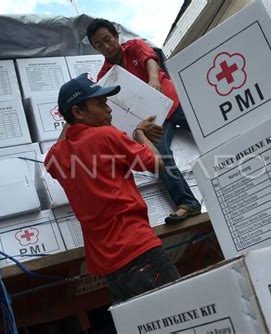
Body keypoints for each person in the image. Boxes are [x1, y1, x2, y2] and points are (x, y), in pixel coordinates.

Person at [44, 73, 180, 302]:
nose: (109, 110)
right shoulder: (107, 136)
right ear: (78, 112)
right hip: (139, 248)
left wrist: (71, 115)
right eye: (100, 104)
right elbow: (158, 164)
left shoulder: (56, 158)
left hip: (110, 269)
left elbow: (58, 146)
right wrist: (140, 134)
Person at [86, 18, 202, 224]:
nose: (106, 46)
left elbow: (149, 58)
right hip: (153, 121)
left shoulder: (134, 46)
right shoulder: (105, 76)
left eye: (107, 39)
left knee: (207, 129)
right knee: (159, 158)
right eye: (99, 44)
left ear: (116, 36)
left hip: (173, 103)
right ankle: (187, 204)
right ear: (95, 48)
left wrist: (154, 79)